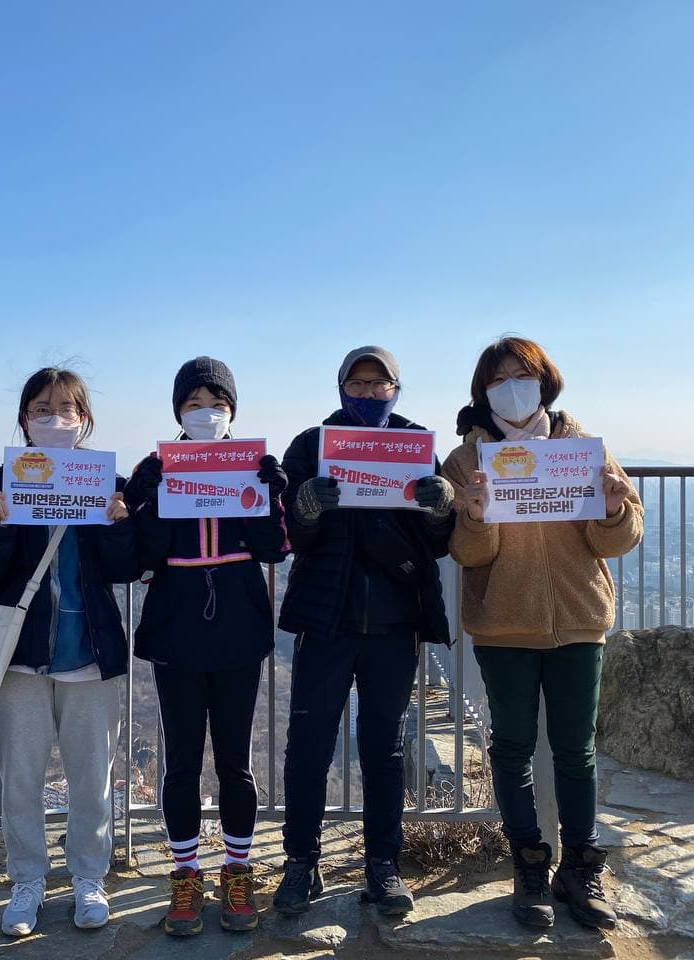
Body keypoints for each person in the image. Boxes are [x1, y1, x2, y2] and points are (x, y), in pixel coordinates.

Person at [442, 336, 642, 931]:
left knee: (577, 750)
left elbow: (618, 538)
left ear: (544, 381)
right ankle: (528, 864)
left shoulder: (583, 449)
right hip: (503, 624)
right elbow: (468, 554)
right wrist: (475, 515)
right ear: (484, 392)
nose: (512, 388)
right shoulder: (465, 462)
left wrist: (613, 509)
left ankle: (580, 866)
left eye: (522, 375)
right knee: (512, 747)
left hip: (579, 618)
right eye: (498, 379)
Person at [271, 345, 455, 918]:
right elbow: (292, 536)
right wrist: (305, 505)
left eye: (381, 384)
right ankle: (301, 862)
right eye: (358, 383)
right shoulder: (311, 444)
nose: (370, 393)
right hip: (327, 619)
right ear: (340, 387)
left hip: (396, 622)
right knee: (308, 748)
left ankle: (383, 865)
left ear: (396, 389)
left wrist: (440, 506)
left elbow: (438, 541)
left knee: (384, 749)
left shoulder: (416, 444)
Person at [0, 367, 136, 937]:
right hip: (19, 657)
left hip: (91, 653)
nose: (54, 419)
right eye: (41, 409)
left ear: (84, 420)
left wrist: (117, 523)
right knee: (21, 779)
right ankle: (27, 882)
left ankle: (89, 878)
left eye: (66, 409)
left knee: (93, 779)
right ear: (24, 419)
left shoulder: (108, 483)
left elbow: (127, 568)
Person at [123, 357, 289, 937]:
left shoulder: (251, 465)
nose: (205, 413)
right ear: (178, 411)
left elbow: (274, 549)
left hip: (238, 627)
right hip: (178, 629)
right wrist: (145, 500)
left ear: (232, 410)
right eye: (193, 404)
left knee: (235, 762)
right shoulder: (156, 467)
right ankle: (186, 875)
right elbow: (142, 556)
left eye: (216, 403)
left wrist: (271, 495)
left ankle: (238, 870)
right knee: (182, 762)